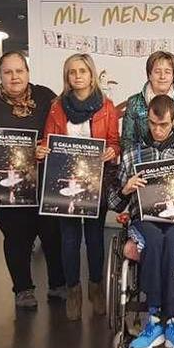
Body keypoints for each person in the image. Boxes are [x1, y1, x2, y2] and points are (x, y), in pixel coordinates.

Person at [108, 95, 174, 348]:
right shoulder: (133, 153)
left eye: (163, 125)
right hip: (144, 220)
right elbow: (114, 203)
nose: (157, 130)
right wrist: (125, 189)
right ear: (147, 119)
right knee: (155, 241)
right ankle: (154, 320)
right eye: (153, 124)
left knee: (173, 241)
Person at [0, 51, 66, 310]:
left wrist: (47, 145)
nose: (14, 77)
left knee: (53, 235)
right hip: (5, 189)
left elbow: (62, 132)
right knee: (17, 237)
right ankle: (23, 289)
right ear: (0, 76)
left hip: (44, 183)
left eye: (19, 71)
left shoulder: (46, 98)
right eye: (8, 72)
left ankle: (58, 284)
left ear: (27, 73)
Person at [41, 53, 120, 321]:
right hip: (65, 181)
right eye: (72, 72)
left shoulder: (106, 106)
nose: (77, 76)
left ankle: (95, 288)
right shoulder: (56, 107)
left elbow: (114, 142)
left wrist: (111, 151)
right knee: (70, 239)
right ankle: (73, 290)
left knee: (95, 238)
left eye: (82, 71)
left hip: (96, 180)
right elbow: (48, 141)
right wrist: (43, 150)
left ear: (91, 75)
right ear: (67, 77)